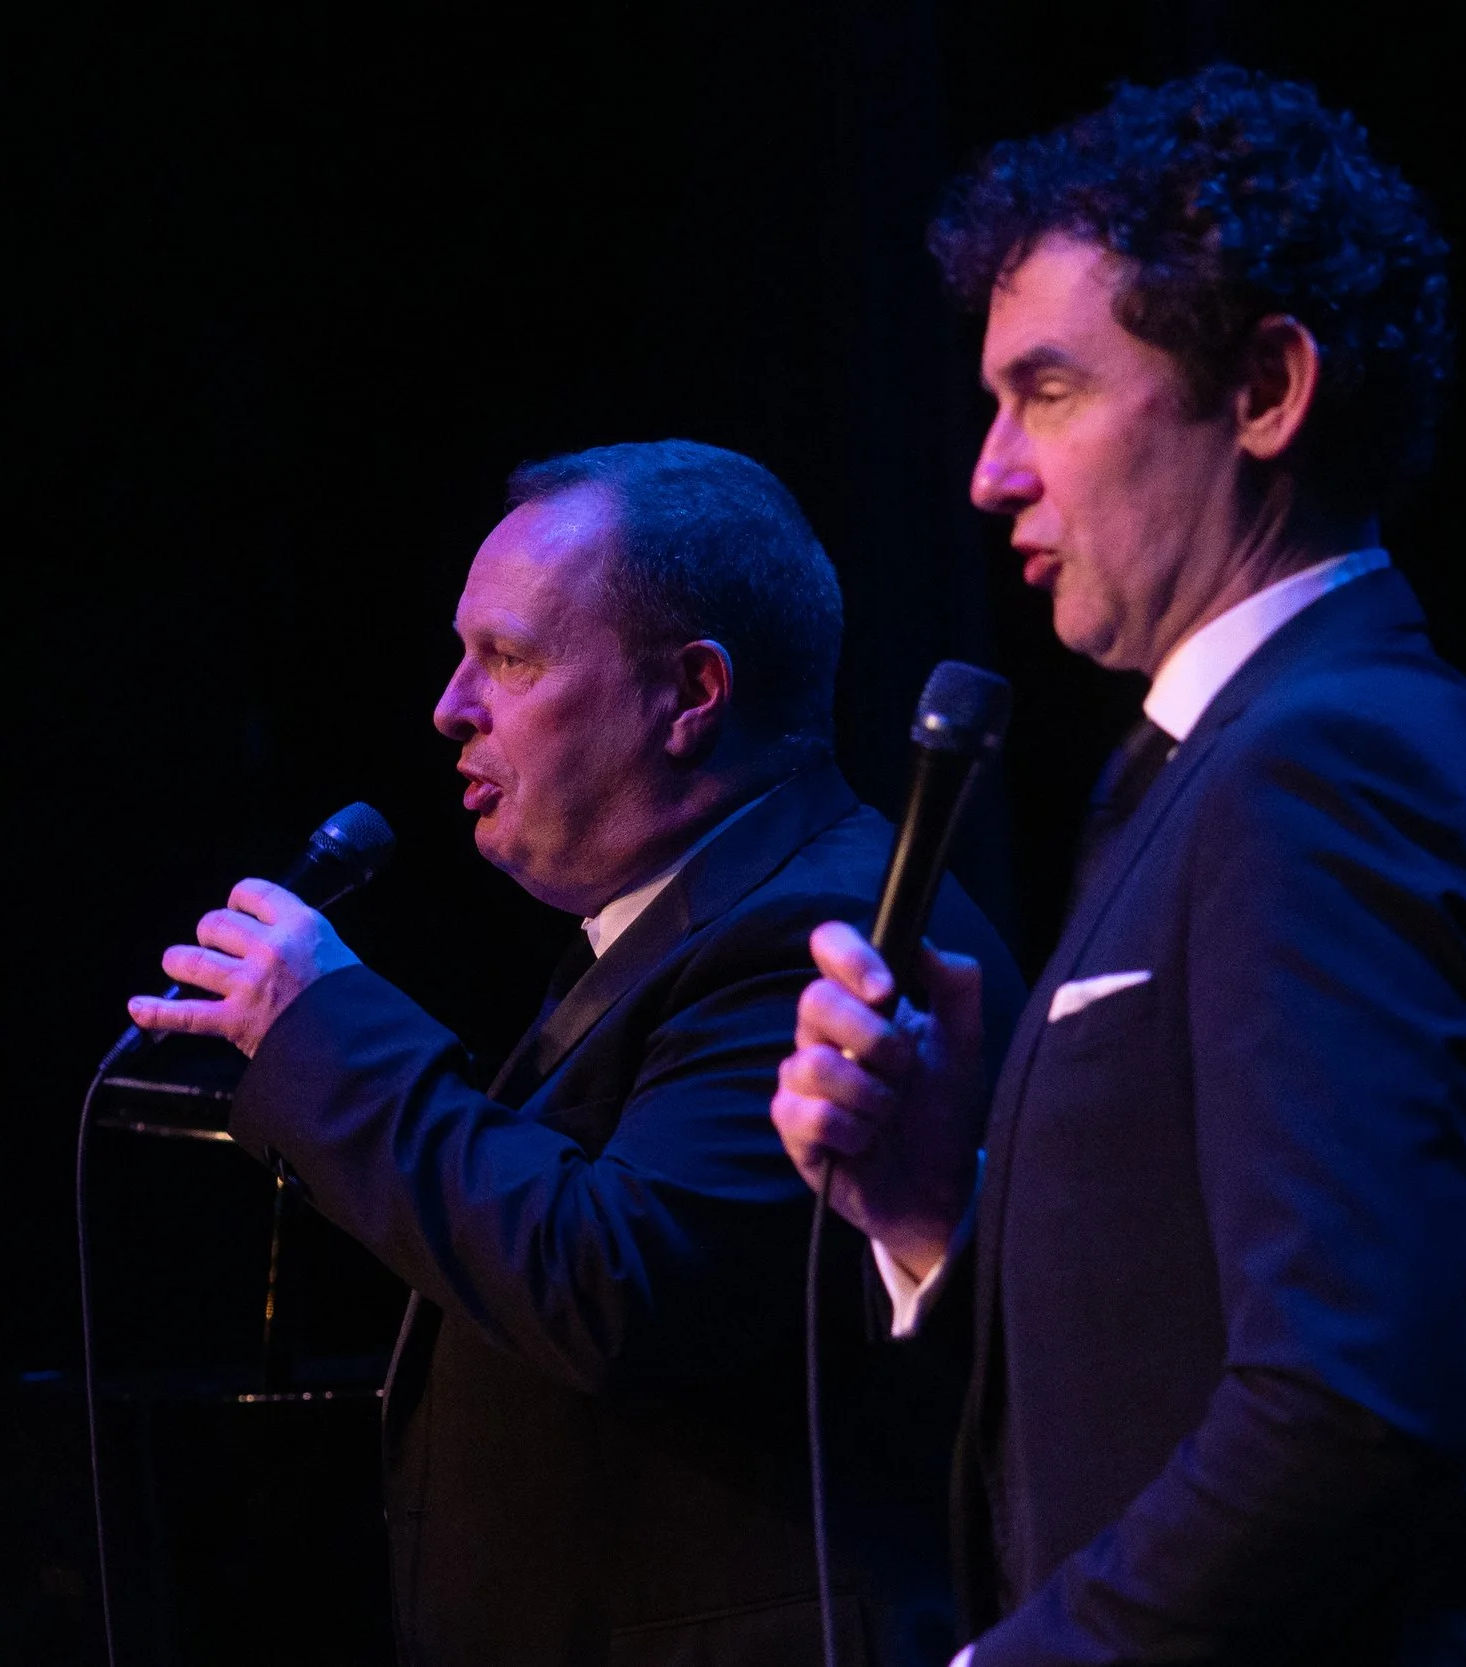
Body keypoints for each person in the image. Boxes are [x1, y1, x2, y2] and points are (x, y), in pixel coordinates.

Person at [771, 68, 1466, 1665]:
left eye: (1049, 390)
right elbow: (1156, 1354)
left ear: (1268, 388)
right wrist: (932, 1208)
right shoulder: (1205, 762)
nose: (989, 472)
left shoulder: (1326, 762)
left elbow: (1351, 1397)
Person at [130, 440, 1025, 1666]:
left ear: (691, 692)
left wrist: (323, 1029)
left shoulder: (822, 929)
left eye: (508, 656)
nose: (451, 705)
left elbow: (613, 1280)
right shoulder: (679, 919)